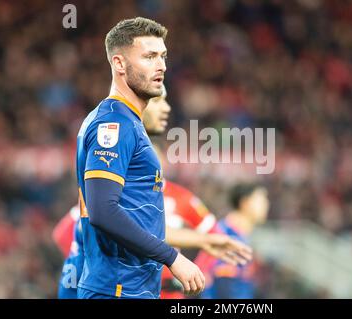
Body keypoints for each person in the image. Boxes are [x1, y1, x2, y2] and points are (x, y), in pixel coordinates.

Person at [54, 85, 252, 298]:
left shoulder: (136, 165)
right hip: (109, 287)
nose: (166, 108)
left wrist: (203, 241)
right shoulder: (116, 145)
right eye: (157, 100)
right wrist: (178, 255)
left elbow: (138, 225)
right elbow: (107, 218)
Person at [75, 17, 204, 299]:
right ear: (119, 64)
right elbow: (103, 211)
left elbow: (135, 212)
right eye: (149, 56)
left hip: (131, 287)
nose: (162, 66)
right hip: (116, 288)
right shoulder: (114, 124)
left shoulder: (129, 123)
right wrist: (173, 258)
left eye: (163, 56)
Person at [195, 183, 270, 299]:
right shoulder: (225, 237)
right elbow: (223, 285)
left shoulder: (241, 237)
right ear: (245, 203)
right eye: (261, 199)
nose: (266, 204)